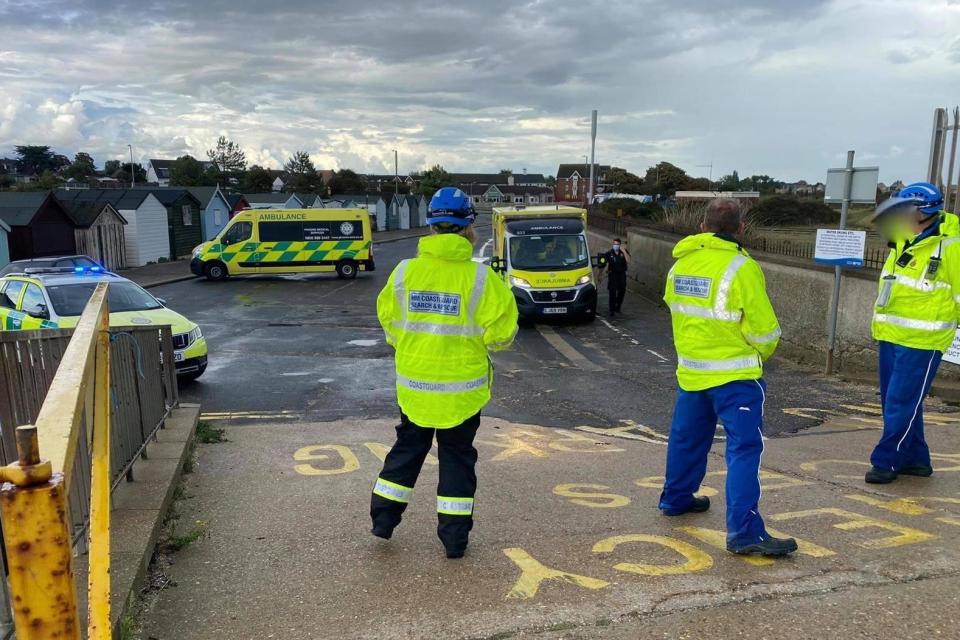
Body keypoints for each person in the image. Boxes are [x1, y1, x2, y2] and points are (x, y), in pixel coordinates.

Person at [370, 187, 519, 558]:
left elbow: (389, 323)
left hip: (415, 385)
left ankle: (383, 520)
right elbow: (502, 336)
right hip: (462, 393)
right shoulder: (483, 280)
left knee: (407, 449)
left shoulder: (405, 272)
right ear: (470, 226)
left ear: (431, 226)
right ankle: (454, 540)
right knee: (457, 458)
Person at [658, 198, 797, 557]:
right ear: (741, 228)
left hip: (691, 372)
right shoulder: (742, 268)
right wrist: (758, 355)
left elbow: (676, 311)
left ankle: (676, 499)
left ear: (703, 226)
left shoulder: (681, 264)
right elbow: (765, 332)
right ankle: (744, 532)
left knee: (686, 439)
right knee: (744, 450)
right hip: (735, 377)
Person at [865, 182, 960, 484]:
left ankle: (887, 461)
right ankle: (916, 460)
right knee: (899, 401)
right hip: (891, 334)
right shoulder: (904, 236)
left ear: (923, 212)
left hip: (924, 339)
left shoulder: (952, 245)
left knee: (900, 401)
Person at [602, 238, 630, 316]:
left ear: (620, 245)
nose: (615, 245)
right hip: (612, 275)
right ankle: (612, 310)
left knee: (622, 291)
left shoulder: (623, 253)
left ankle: (618, 306)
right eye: (614, 244)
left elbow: (629, 261)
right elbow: (603, 264)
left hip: (621, 275)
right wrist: (600, 274)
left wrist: (624, 251)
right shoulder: (609, 253)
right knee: (612, 292)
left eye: (617, 244)